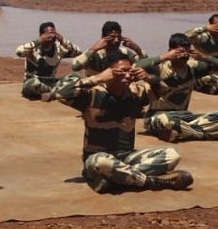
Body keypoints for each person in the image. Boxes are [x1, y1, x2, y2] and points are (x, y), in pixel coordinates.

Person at [52, 54, 193, 193]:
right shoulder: (92, 95)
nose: (127, 76)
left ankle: (118, 179)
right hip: (98, 157)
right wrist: (98, 77)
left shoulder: (134, 93)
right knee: (102, 162)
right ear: (109, 73)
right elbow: (60, 94)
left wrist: (148, 78)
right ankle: (155, 182)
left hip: (127, 157)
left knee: (172, 154)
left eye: (130, 71)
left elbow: (165, 91)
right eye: (121, 72)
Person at [136, 34, 218, 143]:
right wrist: (165, 56)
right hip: (158, 116)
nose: (184, 56)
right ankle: (209, 135)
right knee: (166, 120)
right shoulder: (160, 67)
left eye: (187, 52)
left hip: (183, 116)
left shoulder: (193, 67)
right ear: (171, 51)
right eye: (180, 52)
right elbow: (137, 66)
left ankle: (183, 131)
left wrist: (204, 57)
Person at [14, 22, 82, 101]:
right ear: (41, 35)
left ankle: (51, 92)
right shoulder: (33, 48)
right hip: (33, 82)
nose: (51, 37)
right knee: (33, 83)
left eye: (53, 34)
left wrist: (62, 40)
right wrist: (39, 41)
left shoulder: (59, 49)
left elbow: (78, 53)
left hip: (51, 82)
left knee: (76, 76)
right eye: (48, 34)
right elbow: (19, 52)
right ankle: (59, 92)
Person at [70, 21, 144, 74]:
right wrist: (93, 49)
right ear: (103, 38)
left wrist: (137, 49)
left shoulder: (124, 52)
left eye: (119, 37)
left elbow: (144, 63)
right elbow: (75, 66)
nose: (116, 40)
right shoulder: (95, 54)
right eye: (112, 37)